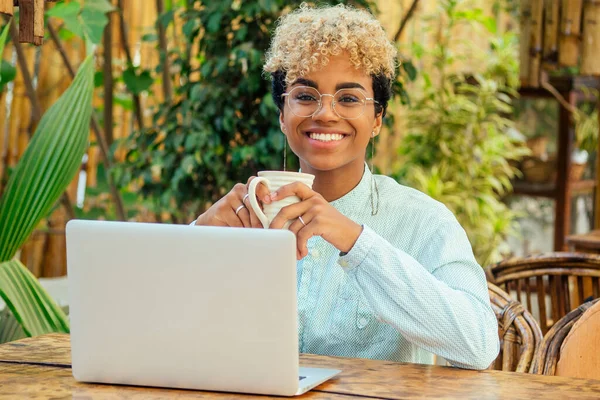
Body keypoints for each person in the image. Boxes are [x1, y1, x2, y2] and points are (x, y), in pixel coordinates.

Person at [194, 3, 499, 369]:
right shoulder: (244, 216)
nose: (325, 113)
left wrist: (355, 241)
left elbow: (479, 345)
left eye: (349, 98)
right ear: (282, 115)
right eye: (305, 96)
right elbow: (167, 329)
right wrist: (197, 240)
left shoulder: (424, 222)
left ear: (377, 119)